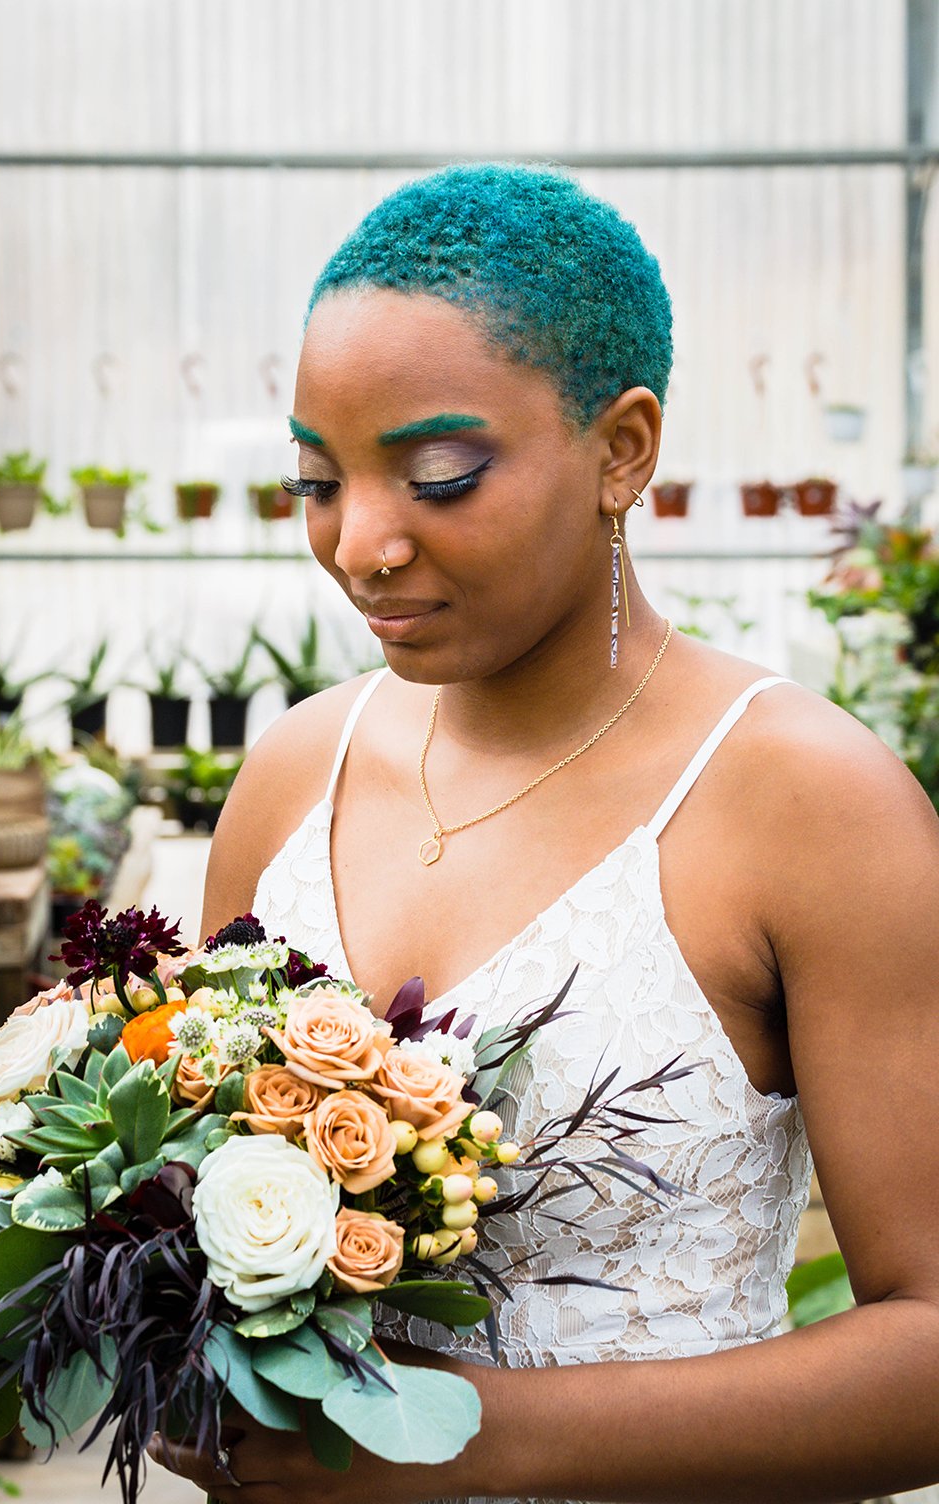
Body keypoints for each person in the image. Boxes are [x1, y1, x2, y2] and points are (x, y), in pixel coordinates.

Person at [149, 164, 939, 1502]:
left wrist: (448, 1438)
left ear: (623, 449)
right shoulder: (294, 773)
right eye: (316, 481)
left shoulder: (812, 803)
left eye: (440, 475)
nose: (363, 545)